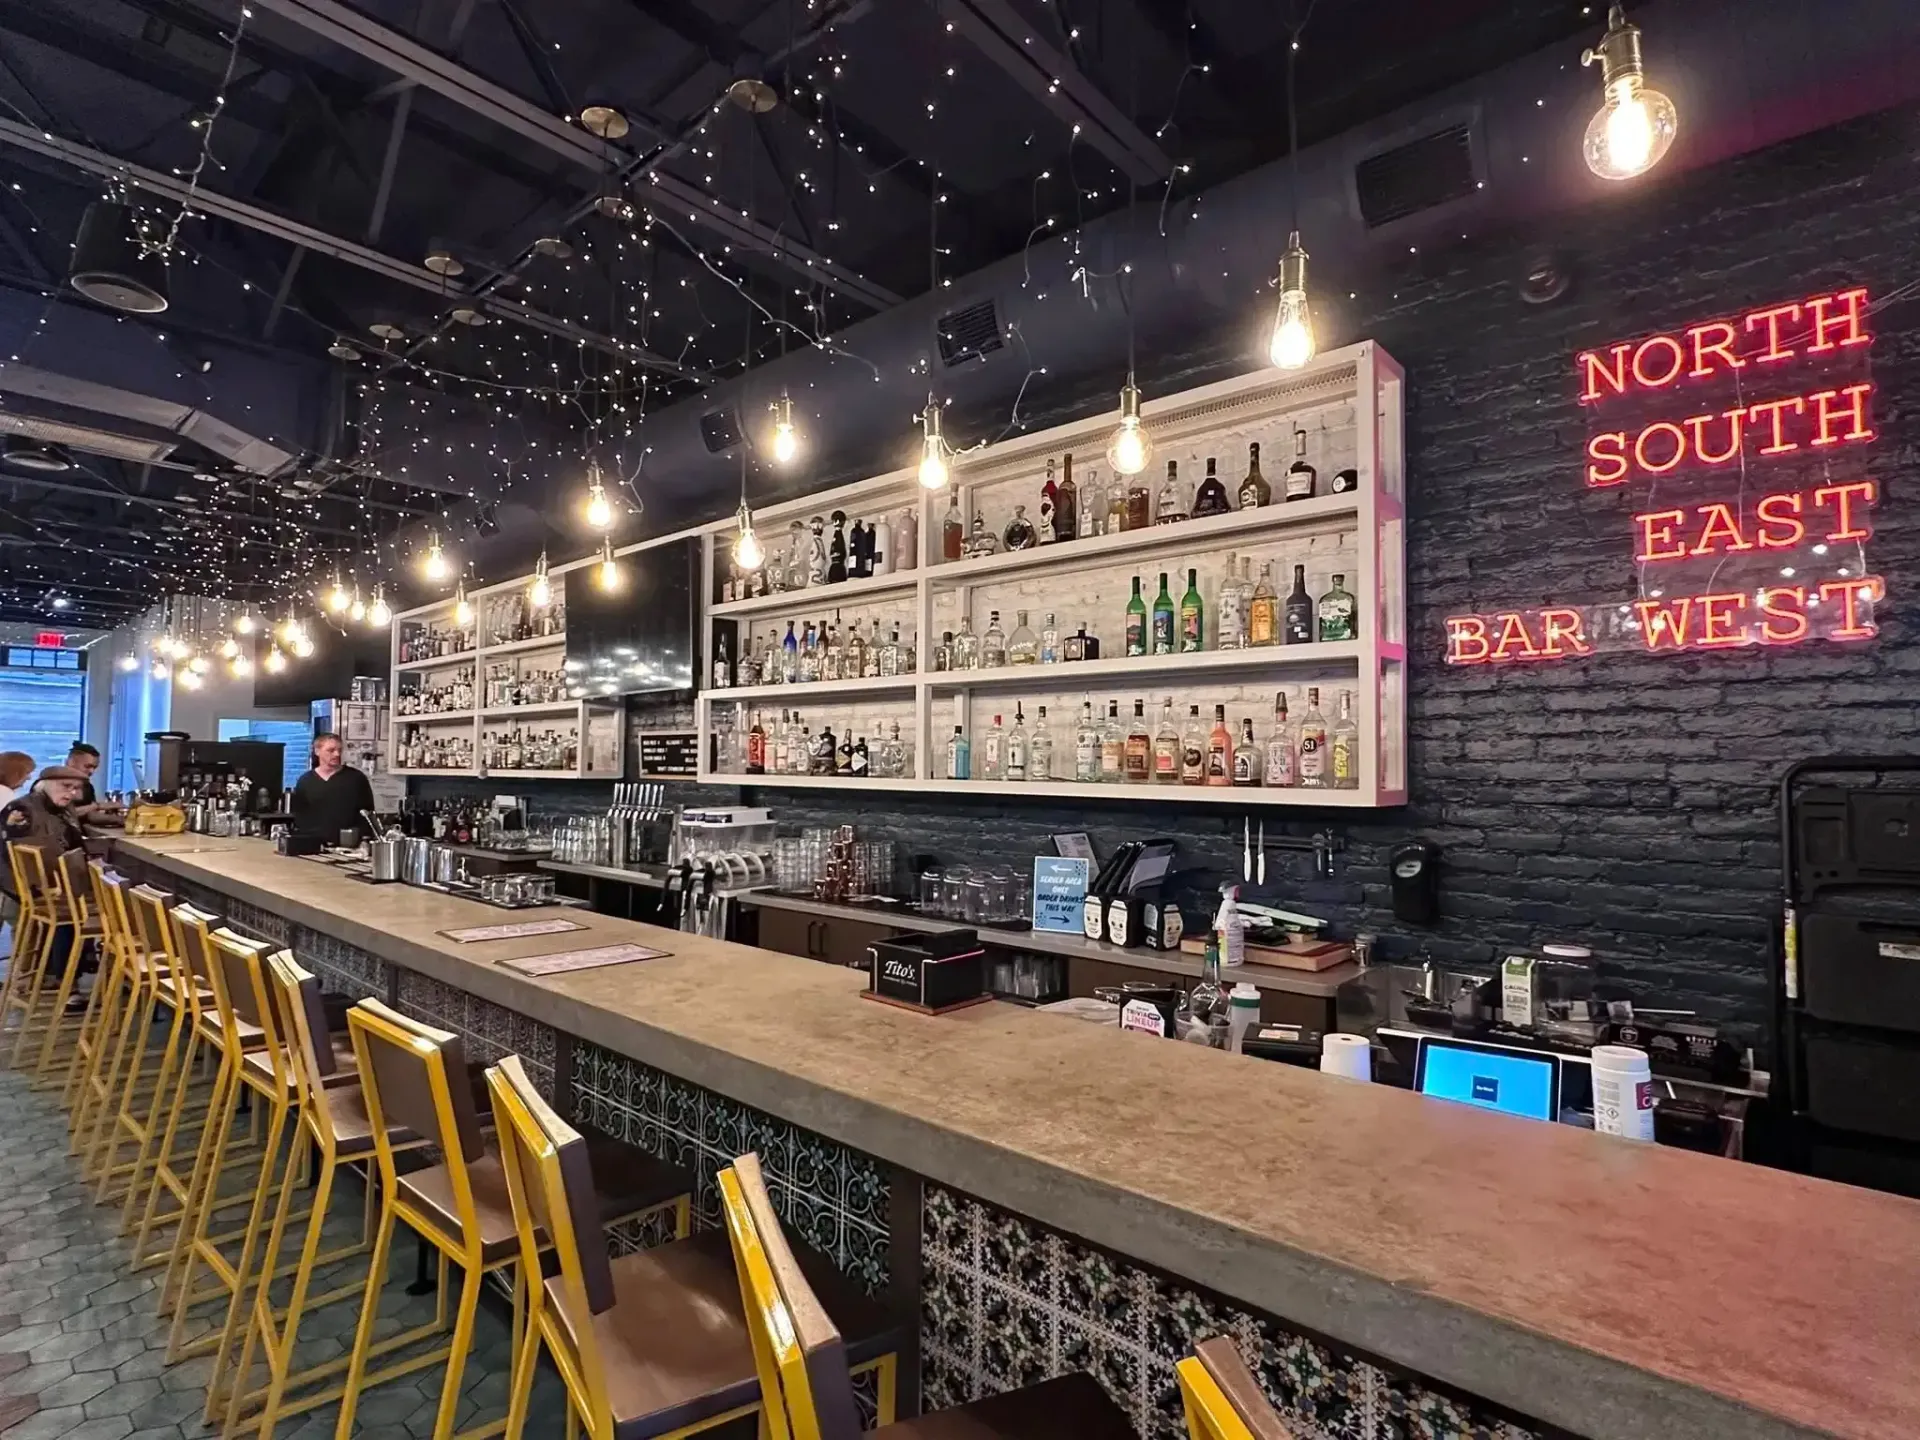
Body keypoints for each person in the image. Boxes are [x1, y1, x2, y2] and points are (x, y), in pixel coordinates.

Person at [289, 733, 376, 844]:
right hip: (313, 845)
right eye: (331, 750)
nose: (337, 754)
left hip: (349, 845)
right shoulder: (305, 781)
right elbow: (300, 817)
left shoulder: (356, 779)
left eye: (339, 750)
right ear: (317, 751)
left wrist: (365, 841)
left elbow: (367, 814)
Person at [63, 743, 123, 826]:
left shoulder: (87, 786)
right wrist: (97, 806)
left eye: (94, 768)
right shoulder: (55, 785)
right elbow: (65, 815)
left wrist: (119, 820)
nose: (92, 772)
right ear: (70, 762)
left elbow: (90, 815)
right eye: (87, 766)